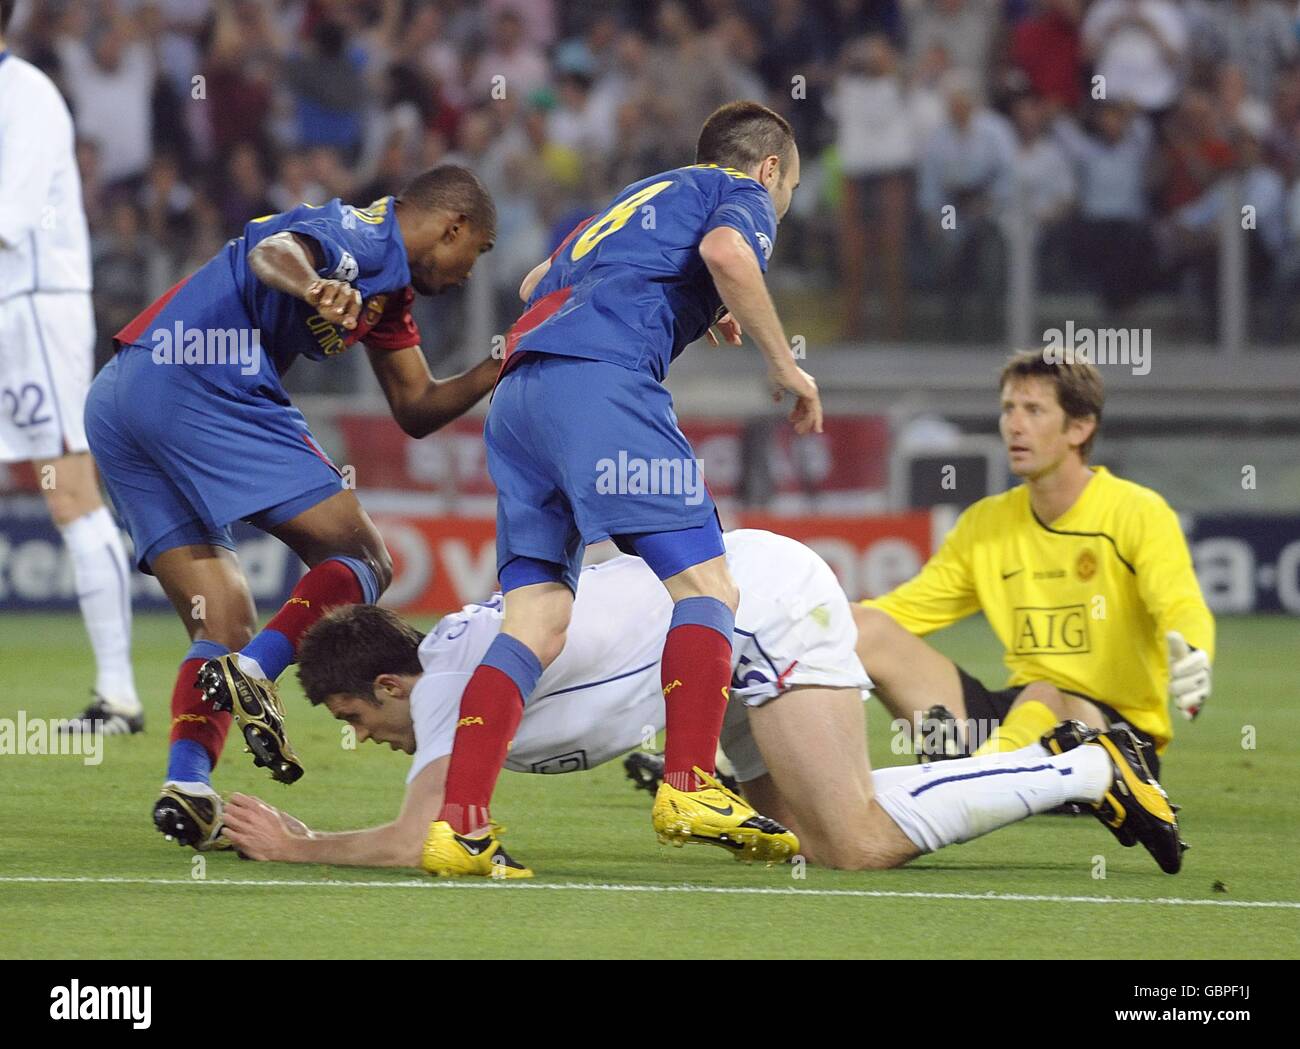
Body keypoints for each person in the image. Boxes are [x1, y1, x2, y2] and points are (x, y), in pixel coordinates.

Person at [221, 529, 1186, 876]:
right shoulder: (460, 664)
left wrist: (297, 845)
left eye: (355, 719)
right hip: (706, 637)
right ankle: (1069, 767)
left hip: (751, 605)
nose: (365, 738)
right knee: (808, 833)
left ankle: (1089, 765)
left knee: (850, 840)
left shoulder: (452, 684)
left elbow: (418, 839)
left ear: (391, 684)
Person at [422, 100, 822, 878]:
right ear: (769, 169)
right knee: (708, 583)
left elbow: (540, 280)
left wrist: (690, 303)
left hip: (520, 399)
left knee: (535, 617)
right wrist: (783, 363)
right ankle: (690, 783)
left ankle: (459, 828)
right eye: (789, 193)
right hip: (600, 388)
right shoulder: (735, 191)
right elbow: (729, 253)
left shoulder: (631, 200)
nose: (780, 207)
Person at [84, 163, 500, 848]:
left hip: (123, 396)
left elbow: (418, 406)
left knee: (221, 614)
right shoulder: (362, 235)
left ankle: (187, 786)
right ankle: (256, 672)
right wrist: (314, 285)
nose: (465, 274)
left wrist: (501, 359)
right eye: (474, 253)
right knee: (364, 555)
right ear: (453, 225)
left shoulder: (389, 295)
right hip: (202, 384)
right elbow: (271, 252)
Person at [854, 352, 1215, 781]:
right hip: (1021, 715)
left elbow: (1179, 602)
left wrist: (1193, 649)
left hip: (1116, 735)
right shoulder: (985, 523)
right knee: (866, 628)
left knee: (1044, 693)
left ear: (1080, 428)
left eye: (1034, 410)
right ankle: (824, 782)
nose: (1014, 425)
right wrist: (816, 639)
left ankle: (977, 776)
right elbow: (902, 611)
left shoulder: (1137, 511)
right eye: (1009, 409)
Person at [0, 0, 140, 735]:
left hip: (30, 313)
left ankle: (117, 694)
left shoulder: (27, 95)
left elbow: (8, 220)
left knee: (67, 490)